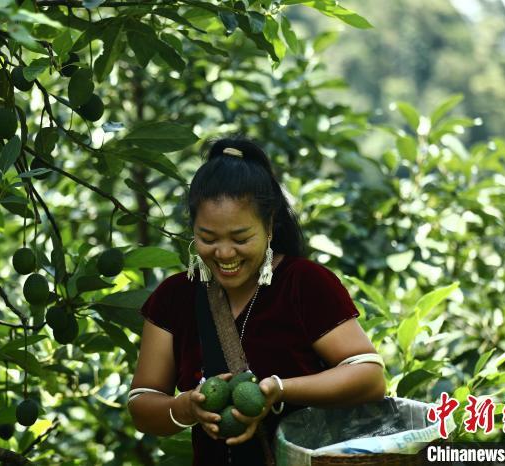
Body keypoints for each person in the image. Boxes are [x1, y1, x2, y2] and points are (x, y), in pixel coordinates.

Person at [127, 137, 386, 465]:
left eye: (240, 238)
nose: (223, 253)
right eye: (207, 238)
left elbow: (369, 377)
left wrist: (279, 389)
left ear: (269, 226)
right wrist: (185, 408)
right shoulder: (174, 298)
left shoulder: (304, 284)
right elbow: (142, 404)